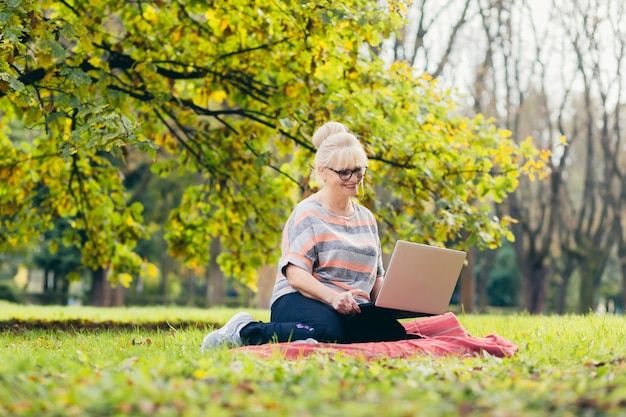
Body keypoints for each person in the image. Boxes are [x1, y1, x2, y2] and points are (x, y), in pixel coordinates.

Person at [201, 121, 410, 351]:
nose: (354, 178)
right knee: (327, 334)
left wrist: (395, 304)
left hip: (353, 308)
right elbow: (296, 275)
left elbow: (377, 278)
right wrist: (333, 298)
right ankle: (243, 329)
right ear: (322, 171)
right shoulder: (307, 213)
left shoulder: (367, 218)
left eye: (359, 169)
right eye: (344, 172)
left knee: (394, 335)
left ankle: (317, 333)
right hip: (300, 298)